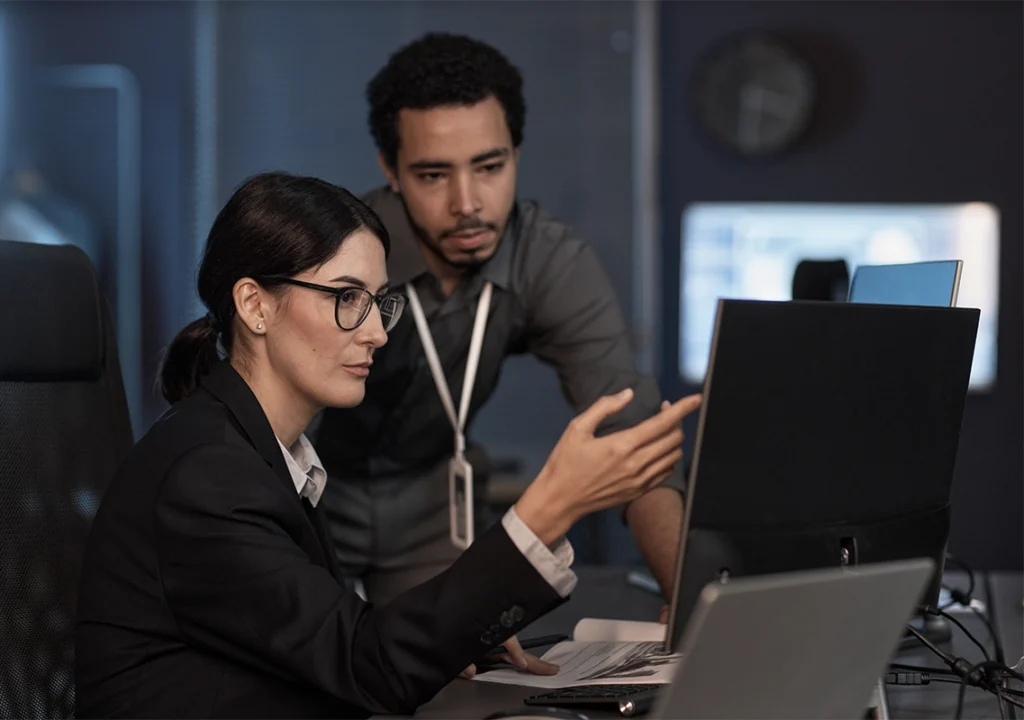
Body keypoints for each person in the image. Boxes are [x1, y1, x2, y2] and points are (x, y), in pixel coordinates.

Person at [74, 171, 701, 718]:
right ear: (254, 305)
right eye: (348, 298)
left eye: (379, 302)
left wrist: (455, 638)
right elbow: (366, 664)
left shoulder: (261, 454)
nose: (375, 331)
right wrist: (552, 505)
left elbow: (330, 639)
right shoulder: (207, 476)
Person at [313, 32, 689, 607]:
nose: (467, 202)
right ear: (391, 168)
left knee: (459, 669)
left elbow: (632, 440)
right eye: (434, 175)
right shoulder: (340, 250)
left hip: (434, 498)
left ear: (516, 152)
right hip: (311, 489)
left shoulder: (550, 259)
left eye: (489, 166)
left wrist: (690, 603)